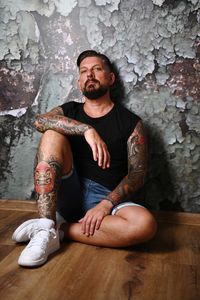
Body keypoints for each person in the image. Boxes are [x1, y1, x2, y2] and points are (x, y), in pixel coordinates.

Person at [12, 50, 157, 267]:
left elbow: (137, 175)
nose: (89, 75)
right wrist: (85, 130)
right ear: (79, 82)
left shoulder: (131, 122)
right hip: (69, 190)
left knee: (145, 225)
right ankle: (45, 225)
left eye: (97, 69)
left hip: (105, 195)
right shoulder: (70, 110)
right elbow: (40, 121)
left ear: (111, 78)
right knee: (52, 132)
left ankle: (57, 230)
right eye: (84, 71)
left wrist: (105, 205)